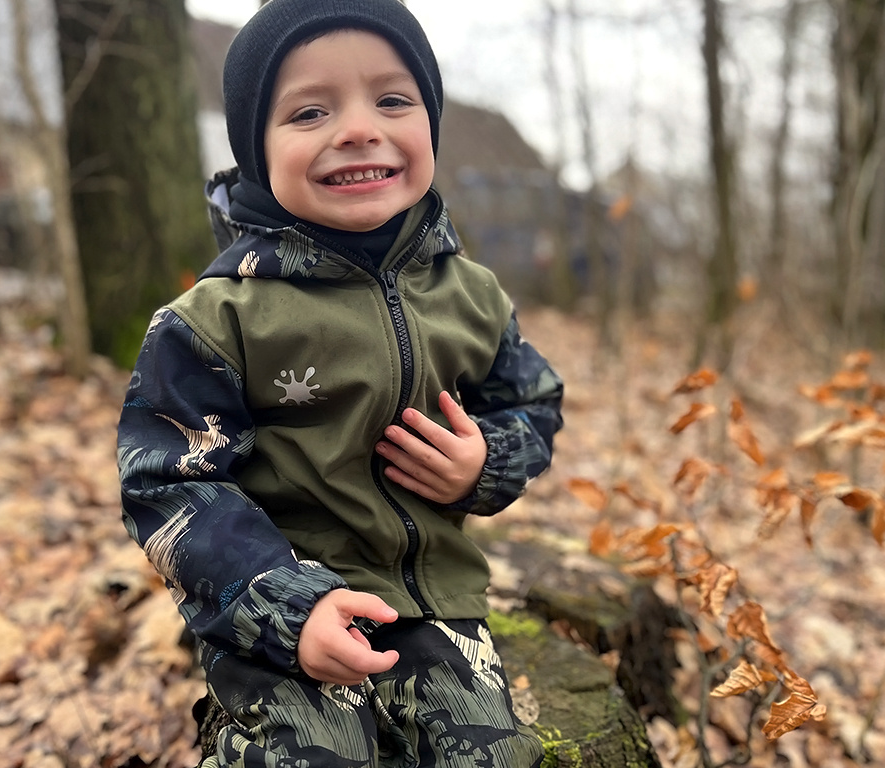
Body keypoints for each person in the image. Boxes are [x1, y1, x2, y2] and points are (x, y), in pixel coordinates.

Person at [117, 0, 564, 765]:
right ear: (256, 150)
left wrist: (485, 461)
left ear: (431, 125)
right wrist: (287, 606)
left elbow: (534, 403)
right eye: (310, 111)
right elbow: (167, 484)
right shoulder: (217, 320)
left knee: (493, 756)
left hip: (434, 602)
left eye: (392, 99)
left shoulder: (472, 296)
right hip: (280, 599)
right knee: (317, 756)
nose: (358, 128)